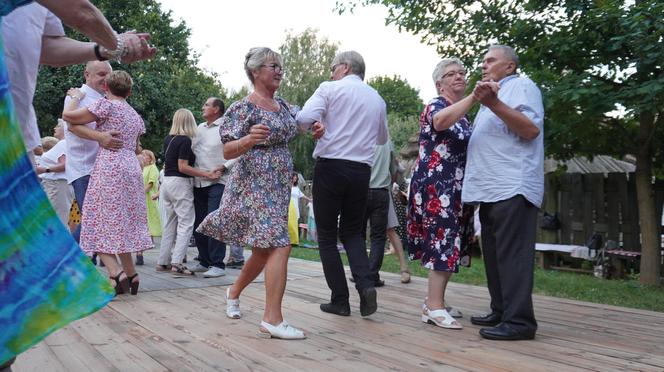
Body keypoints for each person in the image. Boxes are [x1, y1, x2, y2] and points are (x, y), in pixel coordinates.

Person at [1, 1, 155, 367]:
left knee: (96, 225)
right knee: (111, 226)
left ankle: (117, 273)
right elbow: (81, 10)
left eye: (106, 75)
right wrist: (114, 44)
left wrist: (103, 49)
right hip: (111, 169)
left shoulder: (101, 105)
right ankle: (125, 273)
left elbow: (50, 51)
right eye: (98, 73)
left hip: (84, 163)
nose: (102, 79)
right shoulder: (129, 111)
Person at [198, 47, 323, 340]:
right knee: (281, 245)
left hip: (278, 185)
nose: (279, 70)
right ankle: (272, 319)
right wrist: (248, 139)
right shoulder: (242, 108)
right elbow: (227, 149)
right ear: (255, 72)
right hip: (253, 183)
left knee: (264, 249)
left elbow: (304, 122)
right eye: (272, 66)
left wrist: (317, 127)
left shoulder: (285, 106)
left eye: (280, 66)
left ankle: (233, 291)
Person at [296, 50, 388, 317]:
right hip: (361, 171)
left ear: (345, 67)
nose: (330, 72)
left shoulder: (329, 89)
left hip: (331, 166)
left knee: (326, 235)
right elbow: (382, 138)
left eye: (333, 67)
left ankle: (340, 300)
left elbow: (302, 120)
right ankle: (366, 284)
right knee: (352, 233)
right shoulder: (377, 98)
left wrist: (317, 125)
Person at [1, 1, 156, 159]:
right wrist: (117, 45)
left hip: (13, 125)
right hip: (85, 166)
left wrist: (104, 49)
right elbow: (80, 12)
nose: (105, 80)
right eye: (101, 74)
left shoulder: (105, 103)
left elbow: (46, 47)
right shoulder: (120, 109)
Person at [462, 45, 544, 341]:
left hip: (513, 185)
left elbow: (530, 129)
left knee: (512, 256)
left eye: (490, 60)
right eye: (482, 61)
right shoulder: (492, 98)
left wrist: (494, 103)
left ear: (509, 67)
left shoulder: (522, 86)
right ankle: (501, 310)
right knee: (495, 256)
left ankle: (520, 322)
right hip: (491, 189)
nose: (483, 65)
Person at [62, 70, 153, 295]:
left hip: (110, 167)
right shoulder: (134, 115)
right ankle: (132, 275)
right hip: (131, 168)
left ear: (105, 88)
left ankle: (117, 273)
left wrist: (75, 97)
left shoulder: (105, 105)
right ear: (129, 91)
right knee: (122, 223)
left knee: (95, 220)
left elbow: (68, 117)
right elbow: (137, 146)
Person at [407, 58, 478, 330]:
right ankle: (433, 307)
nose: (459, 76)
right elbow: (438, 123)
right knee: (442, 241)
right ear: (440, 84)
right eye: (452, 74)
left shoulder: (463, 113)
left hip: (456, 187)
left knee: (451, 242)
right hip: (439, 186)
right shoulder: (436, 106)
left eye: (462, 72)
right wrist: (474, 97)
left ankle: (436, 300)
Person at [157, 109, 220, 276]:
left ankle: (163, 261)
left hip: (166, 183)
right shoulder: (184, 140)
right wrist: (207, 174)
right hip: (180, 183)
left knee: (170, 222)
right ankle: (177, 262)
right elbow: (183, 167)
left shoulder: (169, 139)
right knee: (186, 223)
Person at [191, 97, 237, 278]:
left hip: (219, 181)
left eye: (206, 105)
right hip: (198, 180)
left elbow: (240, 150)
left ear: (217, 109)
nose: (203, 107)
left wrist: (225, 166)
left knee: (214, 220)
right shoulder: (199, 128)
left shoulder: (227, 126)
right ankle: (204, 260)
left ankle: (218, 264)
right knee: (199, 221)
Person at [35, 119, 74, 225]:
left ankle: (62, 241)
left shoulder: (63, 143)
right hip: (56, 184)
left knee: (58, 219)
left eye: (58, 126)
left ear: (65, 128)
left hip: (57, 185)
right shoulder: (65, 143)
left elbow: (64, 164)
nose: (54, 128)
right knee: (59, 217)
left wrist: (44, 169)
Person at [139, 149, 162, 266]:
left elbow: (151, 183)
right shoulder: (141, 167)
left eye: (145, 155)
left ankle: (150, 240)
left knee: (150, 217)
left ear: (150, 158)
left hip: (148, 197)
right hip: (142, 197)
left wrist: (140, 193)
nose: (142, 157)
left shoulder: (152, 168)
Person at [288, 172, 310, 246]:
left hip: (295, 207)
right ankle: (287, 240)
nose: (295, 178)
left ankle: (294, 240)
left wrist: (310, 200)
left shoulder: (296, 188)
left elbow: (302, 195)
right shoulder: (287, 186)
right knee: (289, 224)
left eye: (296, 177)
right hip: (289, 207)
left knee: (295, 223)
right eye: (294, 176)